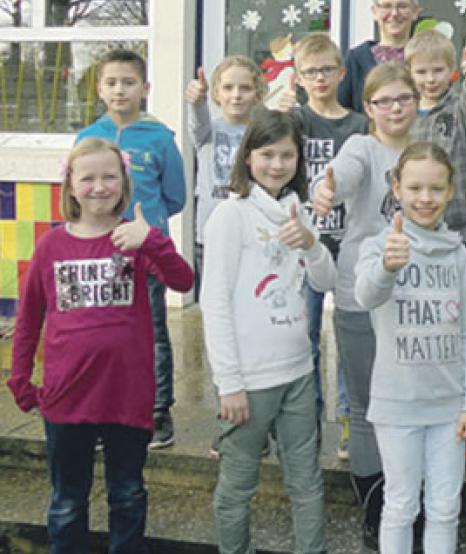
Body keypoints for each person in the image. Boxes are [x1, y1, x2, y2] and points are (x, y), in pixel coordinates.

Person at [8, 137, 194, 553]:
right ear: (70, 185)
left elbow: (183, 281)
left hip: (126, 396)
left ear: (124, 182)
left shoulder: (134, 239)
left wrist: (153, 240)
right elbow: (29, 319)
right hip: (66, 398)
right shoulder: (50, 246)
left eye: (109, 176)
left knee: (127, 495)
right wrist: (20, 378)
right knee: (67, 502)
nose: (98, 186)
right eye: (87, 177)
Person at [200, 107, 336, 554]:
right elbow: (215, 303)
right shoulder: (230, 216)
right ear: (248, 157)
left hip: (298, 372)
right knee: (237, 489)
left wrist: (312, 246)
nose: (277, 164)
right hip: (250, 383)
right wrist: (230, 383)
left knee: (307, 483)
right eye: (267, 154)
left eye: (288, 155)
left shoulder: (297, 212)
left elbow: (326, 281)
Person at [354, 142, 466, 553]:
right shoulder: (380, 245)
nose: (424, 198)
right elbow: (365, 295)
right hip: (397, 404)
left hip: (449, 407)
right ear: (396, 187)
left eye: (435, 188)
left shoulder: (458, 255)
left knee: (446, 507)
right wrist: (386, 268)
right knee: (401, 504)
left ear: (450, 191)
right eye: (414, 188)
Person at [310, 62, 419, 550]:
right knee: (369, 401)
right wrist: (328, 188)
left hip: (414, 295)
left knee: (409, 399)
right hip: (359, 293)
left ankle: (407, 495)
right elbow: (344, 176)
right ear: (368, 108)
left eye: (403, 98)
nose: (394, 108)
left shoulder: (425, 150)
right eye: (383, 101)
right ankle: (375, 501)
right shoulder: (361, 147)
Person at [77, 49, 187, 450]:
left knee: (153, 332)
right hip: (99, 255)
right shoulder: (88, 137)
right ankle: (107, 410)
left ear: (145, 88)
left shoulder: (160, 139)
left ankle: (158, 412)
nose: (119, 90)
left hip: (145, 255)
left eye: (128, 82)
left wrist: (147, 227)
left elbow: (175, 197)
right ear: (99, 88)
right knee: (104, 333)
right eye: (111, 82)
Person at [276, 31, 369, 460]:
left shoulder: (358, 125)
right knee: (304, 336)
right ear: (298, 77)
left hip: (350, 242)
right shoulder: (294, 121)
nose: (319, 78)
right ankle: (306, 422)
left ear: (341, 73)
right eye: (310, 72)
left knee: (351, 337)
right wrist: (273, 107)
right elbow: (266, 148)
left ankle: (352, 420)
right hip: (307, 242)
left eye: (326, 70)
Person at [405, 29, 466, 288]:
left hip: (459, 230)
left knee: (463, 305)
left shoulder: (459, 109)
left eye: (438, 70)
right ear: (408, 72)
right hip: (414, 231)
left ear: (452, 69)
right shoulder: (403, 115)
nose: (430, 79)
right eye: (421, 72)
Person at [185, 55, 266, 294]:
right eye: (228, 88)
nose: (236, 95)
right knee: (216, 300)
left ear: (258, 94)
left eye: (245, 88)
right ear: (216, 94)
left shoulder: (261, 133)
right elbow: (197, 122)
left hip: (251, 233)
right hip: (211, 234)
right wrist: (197, 102)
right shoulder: (207, 132)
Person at [337, 0, 421, 113]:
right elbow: (340, 111)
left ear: (415, 12)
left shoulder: (426, 58)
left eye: (402, 6)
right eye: (386, 6)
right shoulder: (355, 59)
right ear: (374, 12)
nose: (394, 13)